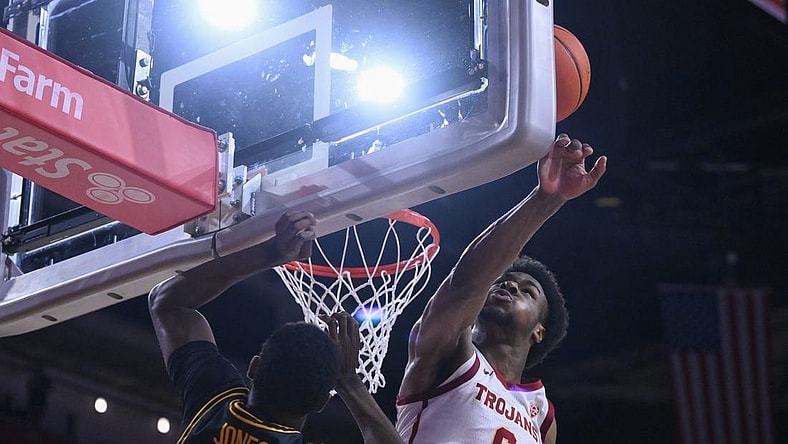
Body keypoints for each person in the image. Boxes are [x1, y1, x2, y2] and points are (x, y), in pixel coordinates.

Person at [396, 134, 607, 444]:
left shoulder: (541, 415)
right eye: (506, 280)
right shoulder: (450, 349)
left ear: (539, 331)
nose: (510, 283)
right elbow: (465, 286)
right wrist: (545, 200)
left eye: (528, 291)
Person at [148, 210, 403, 444]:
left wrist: (273, 253)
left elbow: (167, 303)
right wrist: (350, 383)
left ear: (255, 366)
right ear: (322, 402)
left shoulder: (213, 404)